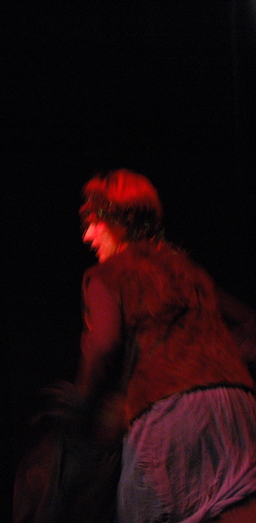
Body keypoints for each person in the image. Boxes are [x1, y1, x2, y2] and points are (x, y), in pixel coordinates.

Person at [76, 169, 256, 522]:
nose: (87, 236)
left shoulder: (109, 275)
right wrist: (216, 362)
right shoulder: (189, 271)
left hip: (171, 415)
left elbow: (103, 345)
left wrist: (80, 409)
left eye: (94, 222)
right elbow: (250, 326)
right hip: (240, 411)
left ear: (118, 221)